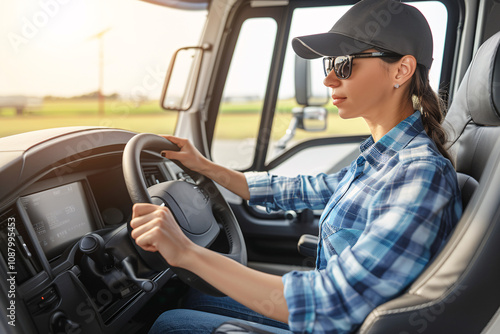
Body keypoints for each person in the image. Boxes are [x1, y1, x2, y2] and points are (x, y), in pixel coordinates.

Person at [130, 0, 463, 333]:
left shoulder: (419, 174)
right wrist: (205, 167)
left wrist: (185, 252)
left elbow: (330, 305)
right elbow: (303, 189)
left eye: (345, 65)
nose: (330, 80)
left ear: (401, 71)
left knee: (172, 324)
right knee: (196, 298)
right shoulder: (383, 159)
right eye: (329, 64)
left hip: (343, 321)